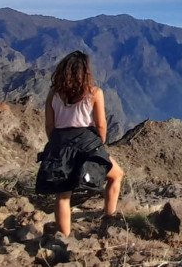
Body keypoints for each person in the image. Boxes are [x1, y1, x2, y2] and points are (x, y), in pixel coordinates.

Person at [43, 50, 124, 236]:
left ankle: (63, 238)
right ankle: (108, 219)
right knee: (116, 175)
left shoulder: (53, 94)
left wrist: (56, 146)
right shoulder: (94, 93)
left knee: (63, 195)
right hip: (86, 143)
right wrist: (99, 146)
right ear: (86, 71)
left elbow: (49, 125)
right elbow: (101, 124)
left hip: (60, 143)